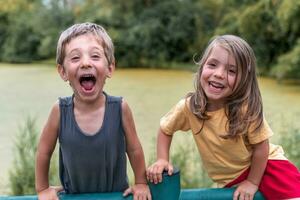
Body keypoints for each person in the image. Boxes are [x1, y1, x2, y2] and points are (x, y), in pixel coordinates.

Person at [146, 35, 300, 200]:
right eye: (212, 65)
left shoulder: (245, 109)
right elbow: (165, 128)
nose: (219, 74)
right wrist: (162, 159)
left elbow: (261, 147)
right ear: (202, 67)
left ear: (244, 80)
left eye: (231, 71)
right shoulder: (189, 107)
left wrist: (252, 182)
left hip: (268, 167)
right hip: (231, 179)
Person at [35, 22, 151, 200]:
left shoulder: (120, 108)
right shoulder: (59, 110)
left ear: (110, 68)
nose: (86, 63)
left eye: (95, 56)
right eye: (75, 58)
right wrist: (42, 189)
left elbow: (134, 149)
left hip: (116, 197)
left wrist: (141, 183)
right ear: (63, 71)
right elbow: (43, 151)